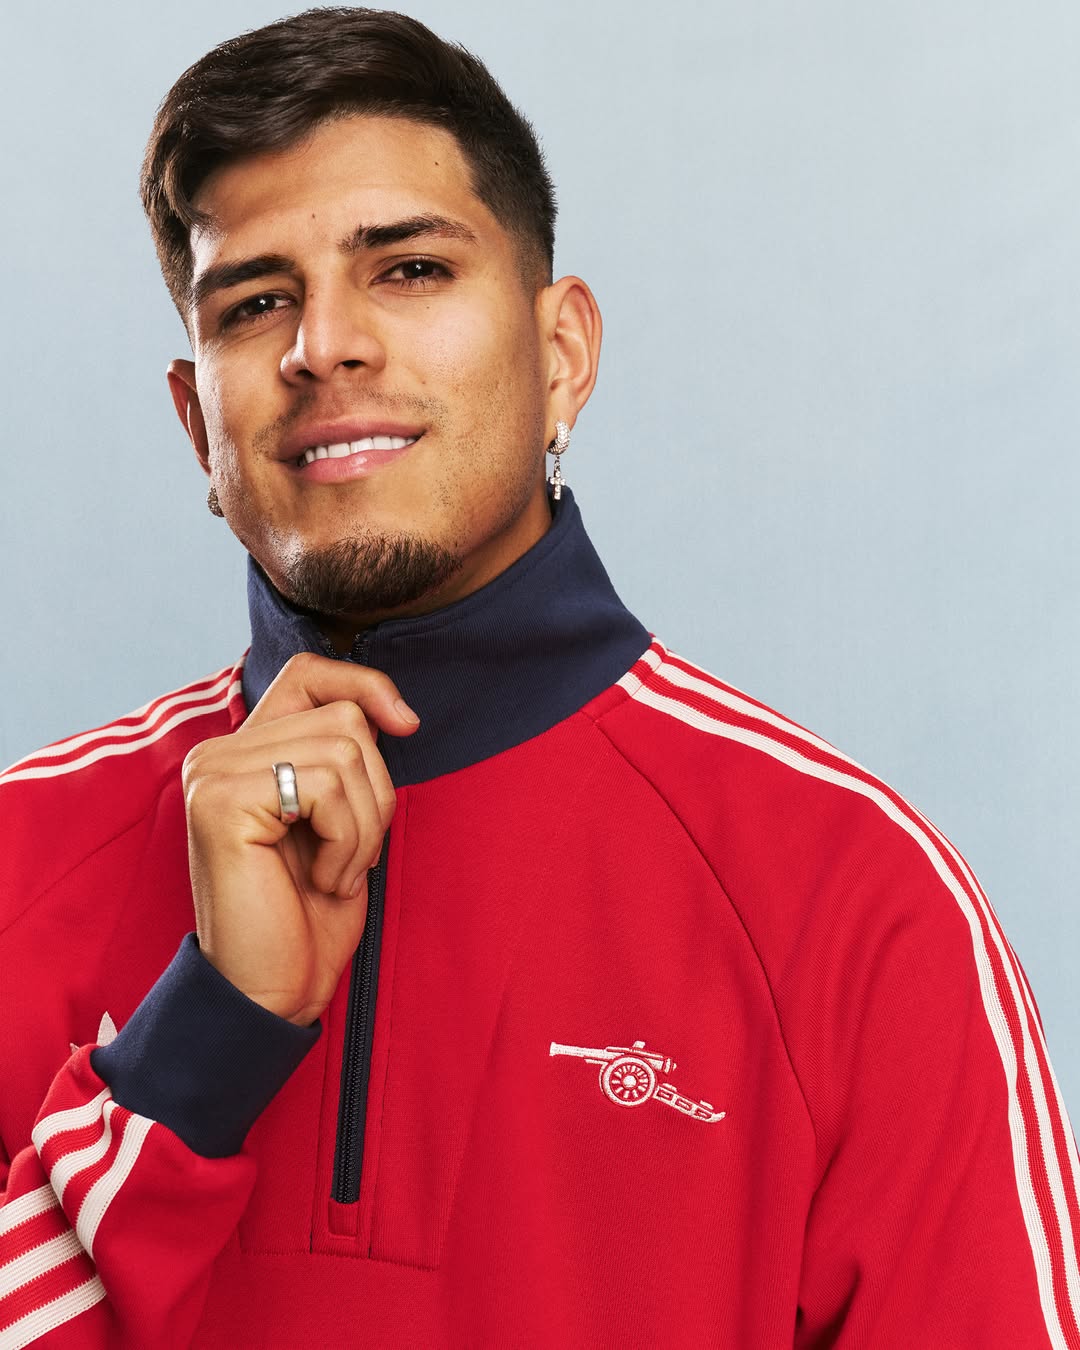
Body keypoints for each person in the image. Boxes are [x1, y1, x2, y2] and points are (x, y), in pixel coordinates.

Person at [1, 6, 1077, 1346]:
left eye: (408, 269)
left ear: (562, 355)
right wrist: (205, 1040)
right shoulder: (22, 862)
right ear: (195, 423)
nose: (322, 343)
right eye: (256, 301)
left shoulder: (858, 904)